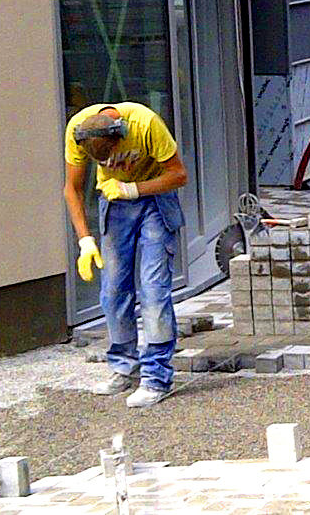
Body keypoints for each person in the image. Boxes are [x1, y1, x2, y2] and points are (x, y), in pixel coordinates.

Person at [62, 102, 187, 408]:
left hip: (156, 202)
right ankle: (123, 365)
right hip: (115, 205)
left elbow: (179, 175)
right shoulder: (78, 130)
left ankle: (157, 378)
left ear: (119, 138)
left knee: (154, 290)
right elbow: (72, 189)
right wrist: (85, 241)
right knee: (113, 291)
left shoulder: (145, 123)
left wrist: (134, 189)